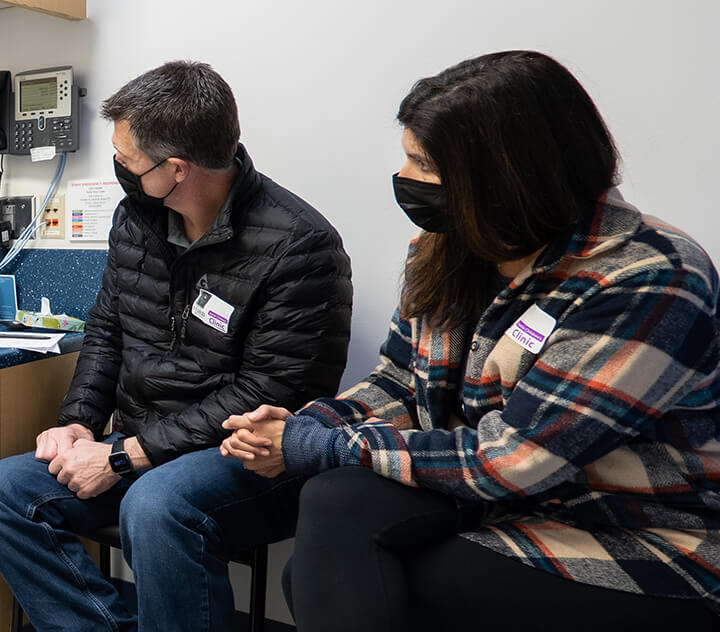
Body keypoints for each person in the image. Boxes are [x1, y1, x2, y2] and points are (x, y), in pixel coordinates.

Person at [221, 50, 720, 629]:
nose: (405, 181)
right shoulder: (448, 249)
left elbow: (516, 458)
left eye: (424, 165)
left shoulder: (649, 279)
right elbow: (400, 382)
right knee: (336, 502)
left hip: (639, 538)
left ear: (508, 175)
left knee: (358, 577)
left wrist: (321, 446)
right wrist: (310, 426)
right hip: (493, 504)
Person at [0, 60, 354, 632]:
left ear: (176, 169)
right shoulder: (139, 219)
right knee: (1, 490)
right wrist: (79, 422)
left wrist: (124, 457)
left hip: (248, 458)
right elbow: (108, 326)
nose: (119, 166)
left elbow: (269, 391)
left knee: (155, 506)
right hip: (139, 445)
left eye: (127, 159)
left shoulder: (300, 247)